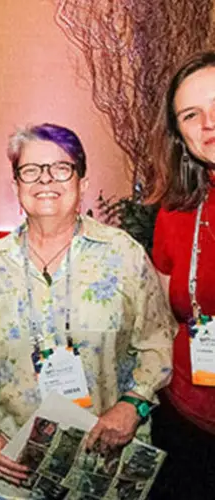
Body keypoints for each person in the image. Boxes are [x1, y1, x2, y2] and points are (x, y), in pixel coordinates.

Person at [0, 123, 175, 500]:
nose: (46, 180)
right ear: (15, 185)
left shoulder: (123, 255)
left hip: (101, 462)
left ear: (83, 181)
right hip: (13, 467)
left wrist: (133, 405)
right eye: (31, 170)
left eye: (61, 168)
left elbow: (158, 341)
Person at [148, 51, 215, 499]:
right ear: (179, 135)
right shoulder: (176, 209)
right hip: (186, 418)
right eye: (192, 115)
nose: (208, 124)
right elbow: (161, 311)